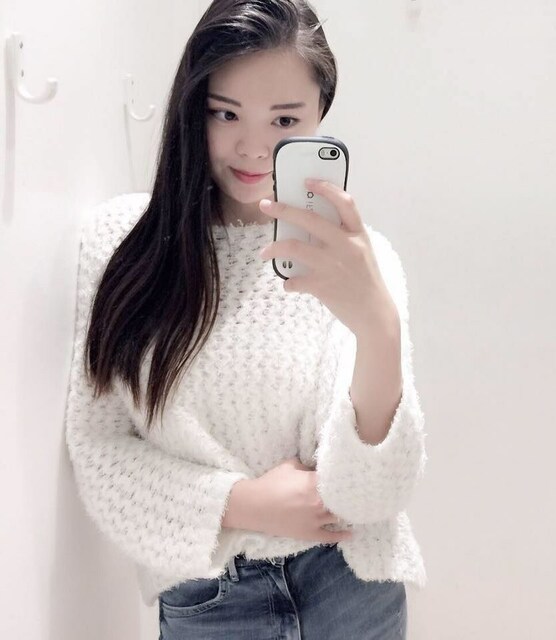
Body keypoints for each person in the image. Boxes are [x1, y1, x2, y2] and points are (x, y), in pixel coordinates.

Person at [63, 1, 428, 638]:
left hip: (350, 587)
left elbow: (370, 497)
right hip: (210, 602)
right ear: (192, 107)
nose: (253, 147)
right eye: (225, 113)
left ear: (319, 117)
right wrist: (242, 503)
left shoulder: (363, 263)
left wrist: (380, 327)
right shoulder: (124, 245)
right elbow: (99, 449)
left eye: (284, 120)